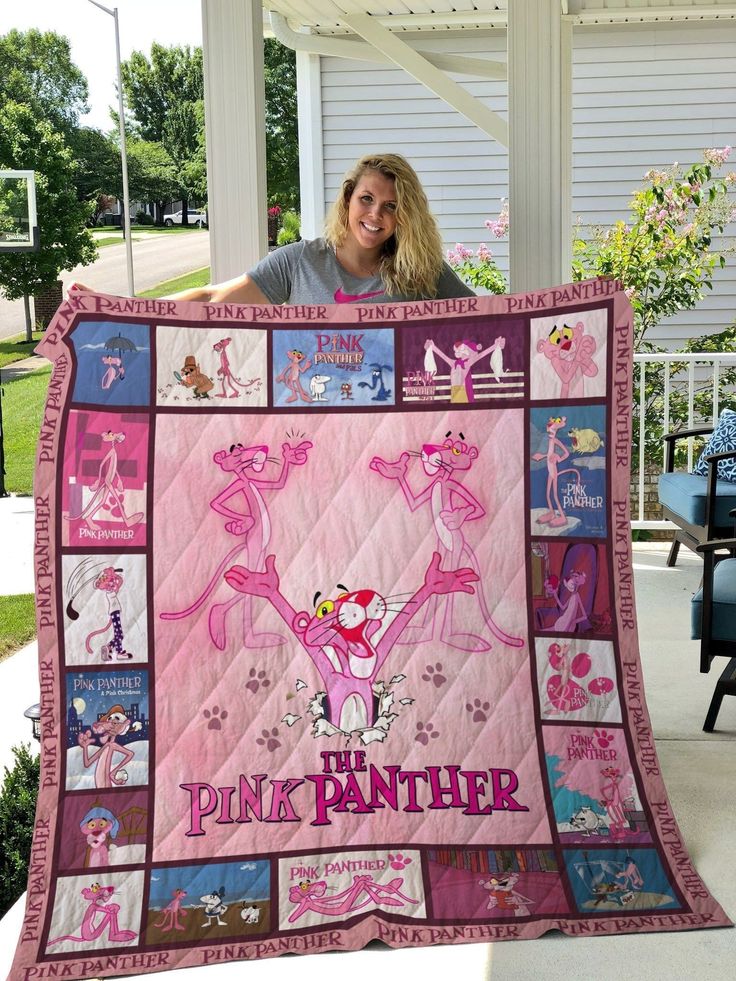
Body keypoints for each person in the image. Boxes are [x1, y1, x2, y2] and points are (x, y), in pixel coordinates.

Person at [94, 154, 472, 306]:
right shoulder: (299, 261)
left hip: (393, 431)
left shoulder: (424, 273)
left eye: (391, 206)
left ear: (405, 216)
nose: (376, 214)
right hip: (313, 429)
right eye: (367, 199)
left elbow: (492, 320)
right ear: (347, 200)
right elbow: (212, 298)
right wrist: (119, 309)